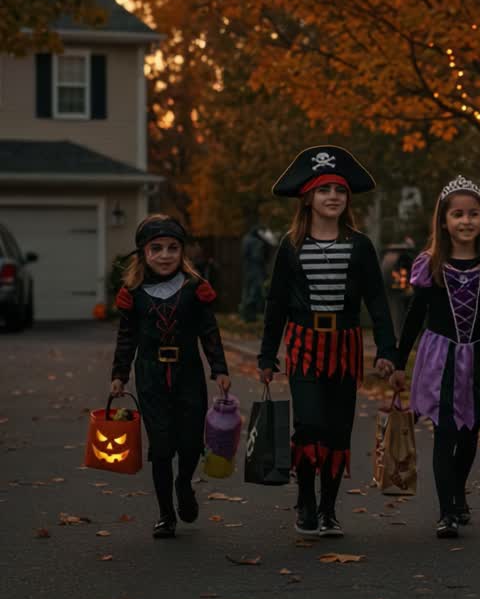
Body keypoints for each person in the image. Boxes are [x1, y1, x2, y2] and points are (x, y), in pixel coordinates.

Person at [257, 145, 397, 538]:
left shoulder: (360, 245)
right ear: (308, 198)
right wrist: (267, 355)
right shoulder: (290, 246)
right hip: (304, 345)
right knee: (310, 425)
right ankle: (305, 500)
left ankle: (329, 509)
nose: (332, 196)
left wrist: (388, 350)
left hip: (345, 345)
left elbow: (377, 303)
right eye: (323, 189)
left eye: (338, 189)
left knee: (337, 430)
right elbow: (276, 304)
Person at [391, 176, 480, 538]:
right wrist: (400, 363)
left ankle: (458, 493)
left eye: (474, 214)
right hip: (440, 359)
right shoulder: (430, 265)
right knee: (445, 432)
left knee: (469, 435)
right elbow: (414, 318)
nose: (466, 221)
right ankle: (447, 510)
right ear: (444, 221)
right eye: (458, 214)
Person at [110, 214, 231, 538]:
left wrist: (219, 368)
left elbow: (209, 331)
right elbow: (127, 337)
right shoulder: (134, 294)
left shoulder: (194, 290)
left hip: (188, 373)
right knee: (161, 447)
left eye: (172, 248)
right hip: (150, 375)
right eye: (157, 248)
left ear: (182, 252)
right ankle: (166, 515)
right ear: (143, 253)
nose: (165, 255)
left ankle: (184, 485)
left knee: (190, 443)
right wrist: (119, 374)